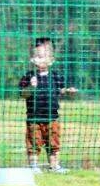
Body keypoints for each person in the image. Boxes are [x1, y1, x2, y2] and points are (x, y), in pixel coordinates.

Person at [19, 38, 76, 173]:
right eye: (35, 56)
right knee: (33, 143)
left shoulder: (56, 77)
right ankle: (33, 166)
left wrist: (69, 91)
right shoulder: (28, 76)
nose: (37, 59)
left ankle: (54, 166)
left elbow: (61, 90)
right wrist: (30, 88)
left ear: (51, 60)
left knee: (53, 143)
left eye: (41, 56)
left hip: (52, 117)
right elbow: (23, 94)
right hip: (34, 118)